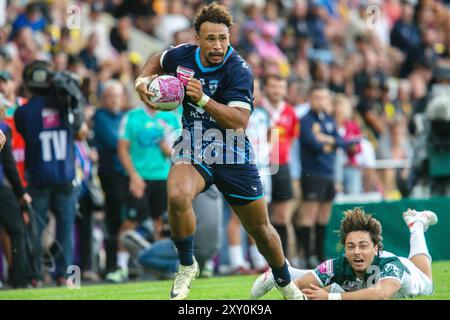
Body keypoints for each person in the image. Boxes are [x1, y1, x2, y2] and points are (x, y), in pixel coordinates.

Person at [135, 2, 306, 300]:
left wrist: (202, 100)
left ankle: (284, 280)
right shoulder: (182, 54)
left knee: (261, 229)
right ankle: (187, 265)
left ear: (230, 37)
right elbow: (156, 60)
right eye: (210, 38)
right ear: (197, 38)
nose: (217, 45)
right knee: (176, 194)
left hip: (232, 152)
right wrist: (142, 80)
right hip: (194, 144)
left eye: (223, 38)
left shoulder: (239, 69)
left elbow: (239, 121)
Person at [251, 207, 438, 300]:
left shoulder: (391, 264)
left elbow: (380, 294)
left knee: (428, 282)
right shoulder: (338, 264)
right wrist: (293, 292)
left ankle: (417, 225)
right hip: (357, 286)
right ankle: (282, 273)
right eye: (351, 246)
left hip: (414, 275)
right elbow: (297, 288)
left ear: (376, 247)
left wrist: (332, 296)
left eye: (363, 245)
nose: (356, 252)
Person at [13, 61, 83, 285]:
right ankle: (66, 276)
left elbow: (25, 131)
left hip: (39, 178)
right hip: (64, 177)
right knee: (65, 230)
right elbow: (80, 127)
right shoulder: (66, 105)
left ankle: (34, 276)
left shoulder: (22, 112)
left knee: (35, 230)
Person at [297, 83, 346, 268]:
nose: (321, 101)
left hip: (329, 173)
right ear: (310, 99)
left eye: (324, 98)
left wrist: (326, 140)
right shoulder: (306, 120)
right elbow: (313, 144)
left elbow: (342, 142)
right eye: (317, 98)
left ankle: (319, 254)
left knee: (323, 216)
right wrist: (328, 143)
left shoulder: (329, 120)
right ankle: (306, 255)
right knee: (308, 215)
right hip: (312, 173)